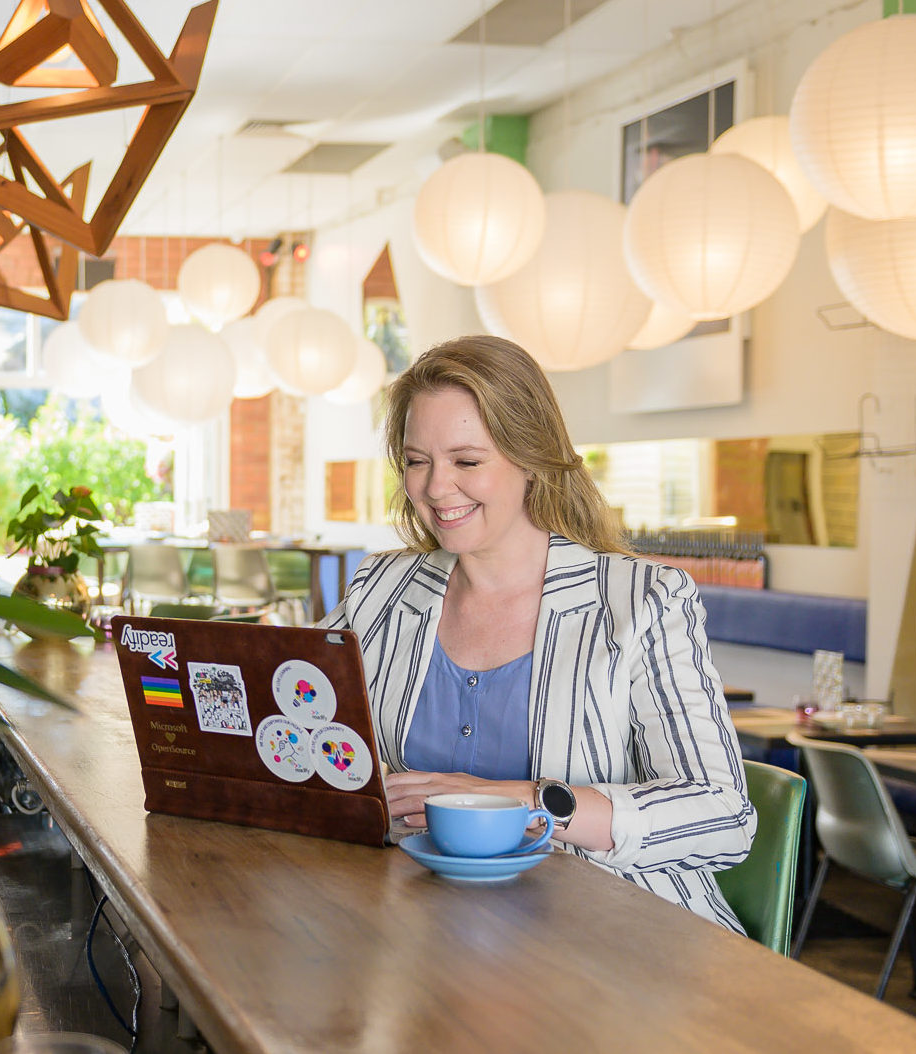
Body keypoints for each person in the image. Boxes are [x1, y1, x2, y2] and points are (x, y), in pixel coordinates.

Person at [322, 335, 754, 931]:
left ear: (530, 458)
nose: (435, 487)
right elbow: (293, 720)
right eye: (417, 461)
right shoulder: (382, 588)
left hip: (619, 938)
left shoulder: (641, 601)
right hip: (429, 923)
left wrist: (520, 800)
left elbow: (721, 815)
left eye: (466, 461)